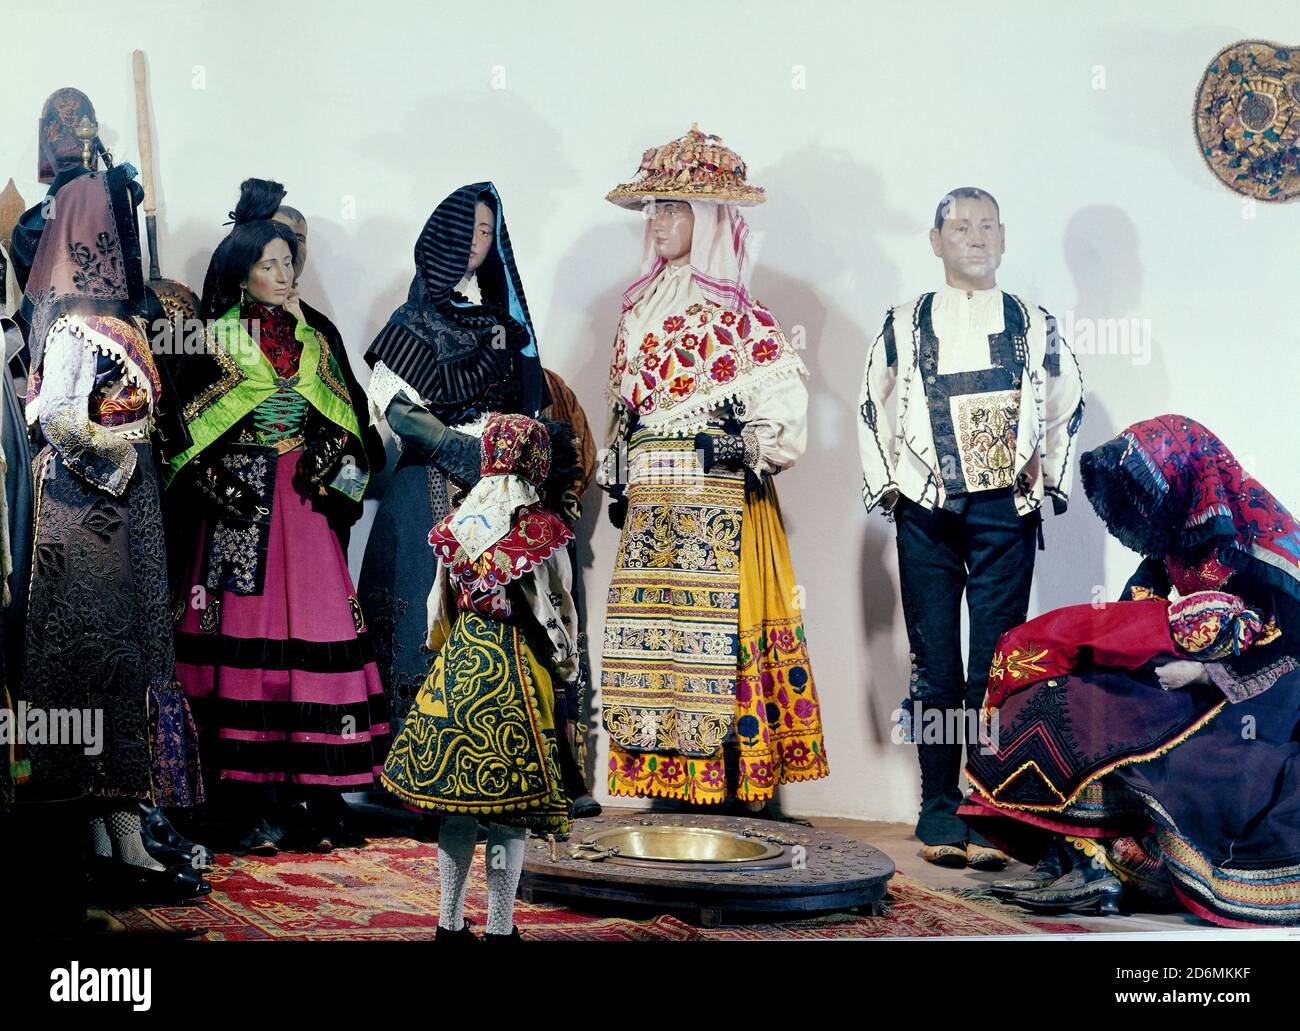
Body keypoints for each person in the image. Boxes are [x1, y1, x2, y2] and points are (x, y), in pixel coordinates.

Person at [962, 415, 1300, 926]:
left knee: (1151, 744)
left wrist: (1207, 675)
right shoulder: (1179, 532)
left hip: (1259, 697)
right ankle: (1075, 858)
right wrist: (1100, 652)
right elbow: (1136, 609)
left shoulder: (1267, 541)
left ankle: (1115, 870)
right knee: (1064, 695)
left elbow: (1293, 647)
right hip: (1186, 672)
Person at [600, 125, 829, 810]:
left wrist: (736, 447)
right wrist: (617, 473)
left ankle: (733, 788)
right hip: (651, 515)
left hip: (719, 508)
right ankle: (666, 785)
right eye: (655, 208)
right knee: (657, 637)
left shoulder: (742, 319)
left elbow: (782, 417)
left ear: (705, 219)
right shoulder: (637, 309)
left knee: (718, 640)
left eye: (673, 207)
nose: (658, 220)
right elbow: (624, 409)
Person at [857, 187, 1084, 869]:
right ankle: (937, 804)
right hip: (928, 510)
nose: (975, 237)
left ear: (1004, 237)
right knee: (937, 663)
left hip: (1004, 513)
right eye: (959, 227)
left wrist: (1046, 481)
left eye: (986, 226)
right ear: (935, 242)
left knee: (997, 663)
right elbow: (871, 402)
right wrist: (892, 486)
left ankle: (990, 806)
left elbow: (1066, 405)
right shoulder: (903, 322)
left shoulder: (1034, 322)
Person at [166, 179, 386, 852]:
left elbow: (357, 429)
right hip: (243, 510)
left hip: (306, 508)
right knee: (248, 648)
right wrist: (211, 484)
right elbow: (179, 433)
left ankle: (317, 796)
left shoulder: (318, 334)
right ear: (241, 271)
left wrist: (336, 460)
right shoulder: (210, 338)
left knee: (316, 636)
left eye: (289, 261)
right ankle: (249, 801)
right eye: (268, 262)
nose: (283, 273)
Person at [15, 164, 207, 901]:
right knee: (99, 662)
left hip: (124, 511)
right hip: (86, 510)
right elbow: (56, 417)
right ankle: (107, 836)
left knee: (131, 649)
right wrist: (120, 449)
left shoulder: (113, 322)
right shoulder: (69, 325)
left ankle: (113, 834)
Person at [359, 183, 551, 737]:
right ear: (441, 236)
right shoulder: (409, 321)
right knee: (423, 611)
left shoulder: (500, 326)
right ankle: (414, 769)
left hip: (498, 493)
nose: (477, 242)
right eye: (467, 230)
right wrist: (465, 450)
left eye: (488, 232)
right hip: (427, 491)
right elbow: (398, 410)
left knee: (501, 618)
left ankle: (493, 763)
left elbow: (523, 400)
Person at [381, 413, 576, 941]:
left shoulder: (456, 523)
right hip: (515, 668)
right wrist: (564, 668)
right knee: (508, 807)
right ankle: (499, 926)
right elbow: (554, 609)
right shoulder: (541, 529)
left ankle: (447, 921)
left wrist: (444, 656)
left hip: (460, 665)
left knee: (458, 803)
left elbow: (436, 604)